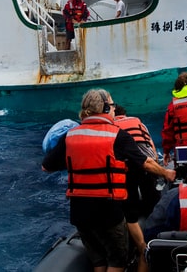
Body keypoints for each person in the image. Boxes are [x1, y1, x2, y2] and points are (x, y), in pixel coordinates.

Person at [42, 89, 176, 272]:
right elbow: (145, 163)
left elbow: (46, 166)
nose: (114, 110)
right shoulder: (117, 135)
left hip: (79, 214)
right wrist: (166, 173)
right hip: (108, 213)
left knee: (99, 262)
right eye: (112, 106)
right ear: (105, 109)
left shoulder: (70, 136)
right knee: (117, 262)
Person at [113, 105, 160, 272]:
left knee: (129, 208)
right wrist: (157, 166)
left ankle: (140, 244)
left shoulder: (111, 127)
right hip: (147, 164)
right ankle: (152, 234)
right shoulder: (139, 123)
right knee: (152, 202)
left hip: (127, 168)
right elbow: (151, 147)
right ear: (125, 114)